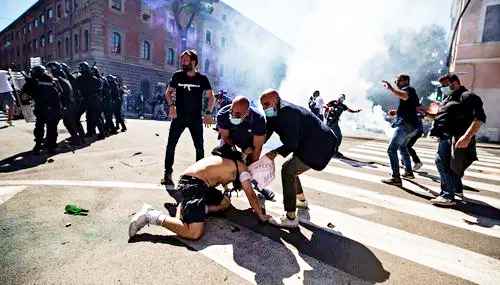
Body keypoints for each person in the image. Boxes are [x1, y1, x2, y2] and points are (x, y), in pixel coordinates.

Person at [129, 149, 270, 240]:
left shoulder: (229, 162)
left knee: (224, 203)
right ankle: (151, 215)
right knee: (193, 232)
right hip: (193, 184)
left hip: (197, 184)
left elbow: (220, 179)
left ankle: (193, 208)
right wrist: (261, 215)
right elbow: (250, 194)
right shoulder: (242, 168)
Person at [260, 89, 337, 228]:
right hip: (309, 143)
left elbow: (291, 143)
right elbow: (268, 130)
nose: (265, 108)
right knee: (292, 169)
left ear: (276, 99)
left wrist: (274, 153)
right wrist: (256, 145)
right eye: (262, 105)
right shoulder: (273, 111)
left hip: (319, 145)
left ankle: (290, 217)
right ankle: (301, 201)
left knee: (287, 170)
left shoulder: (288, 112)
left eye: (266, 104)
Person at [429, 74, 486, 206]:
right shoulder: (449, 98)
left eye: (444, 85)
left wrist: (467, 136)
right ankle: (457, 190)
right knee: (450, 165)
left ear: (454, 83)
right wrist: (425, 113)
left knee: (442, 163)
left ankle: (447, 195)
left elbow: (479, 118)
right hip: (444, 136)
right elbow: (441, 116)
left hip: (457, 136)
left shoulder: (467, 96)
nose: (442, 88)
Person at [162, 49, 215, 189]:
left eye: (186, 60)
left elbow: (211, 96)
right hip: (179, 117)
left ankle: (200, 176)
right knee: (171, 145)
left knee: (199, 148)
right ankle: (167, 173)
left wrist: (208, 113)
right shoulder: (177, 76)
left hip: (195, 118)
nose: (183, 62)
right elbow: (168, 93)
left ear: (194, 62)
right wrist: (171, 105)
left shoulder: (202, 78)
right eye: (182, 60)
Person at [216, 96, 275, 200]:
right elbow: (225, 139)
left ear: (247, 113)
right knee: (223, 160)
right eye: (233, 112)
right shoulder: (223, 114)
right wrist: (236, 157)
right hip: (231, 139)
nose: (235, 115)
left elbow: (257, 148)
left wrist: (249, 164)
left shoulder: (258, 119)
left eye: (239, 115)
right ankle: (223, 185)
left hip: (249, 144)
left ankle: (257, 185)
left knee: (253, 167)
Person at [381, 74, 420, 186]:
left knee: (391, 150)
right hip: (412, 126)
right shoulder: (412, 93)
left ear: (404, 81)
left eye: (397, 81)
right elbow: (413, 108)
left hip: (405, 125)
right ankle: (408, 172)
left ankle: (396, 178)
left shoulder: (408, 89)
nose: (396, 83)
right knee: (403, 147)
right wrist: (397, 112)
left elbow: (404, 95)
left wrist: (391, 89)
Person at [22, 65, 63, 154]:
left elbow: (24, 98)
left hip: (41, 109)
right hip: (54, 108)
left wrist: (28, 86)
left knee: (39, 128)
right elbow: (61, 92)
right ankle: (51, 148)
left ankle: (38, 146)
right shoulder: (53, 80)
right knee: (52, 129)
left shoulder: (31, 83)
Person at [46, 62, 83, 146]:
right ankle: (77, 139)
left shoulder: (57, 78)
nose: (48, 71)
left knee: (53, 124)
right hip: (68, 104)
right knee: (68, 123)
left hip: (63, 104)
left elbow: (60, 92)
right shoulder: (63, 76)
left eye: (49, 69)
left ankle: (51, 143)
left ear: (53, 69)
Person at [75, 62, 105, 140]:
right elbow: (99, 85)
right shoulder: (93, 78)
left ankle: (89, 133)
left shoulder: (79, 78)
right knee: (95, 117)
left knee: (81, 117)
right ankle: (98, 133)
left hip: (86, 100)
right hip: (94, 99)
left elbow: (76, 87)